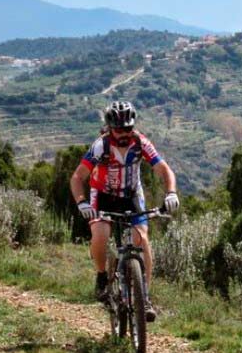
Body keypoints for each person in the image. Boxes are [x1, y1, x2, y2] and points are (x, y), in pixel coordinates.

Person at [69, 100, 179, 322]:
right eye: (119, 130)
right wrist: (82, 202)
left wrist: (171, 193)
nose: (123, 134)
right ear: (110, 129)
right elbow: (78, 177)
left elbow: (163, 169)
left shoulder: (140, 143)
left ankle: (144, 297)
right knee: (101, 235)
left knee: (142, 239)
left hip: (130, 195)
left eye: (128, 128)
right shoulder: (101, 146)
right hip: (103, 196)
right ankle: (101, 275)